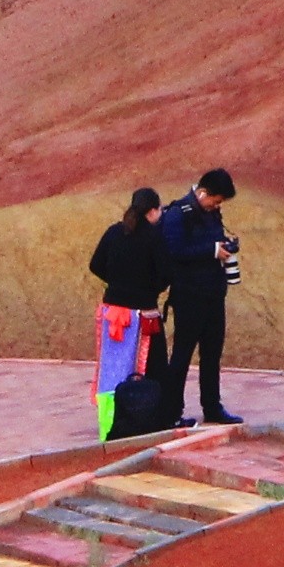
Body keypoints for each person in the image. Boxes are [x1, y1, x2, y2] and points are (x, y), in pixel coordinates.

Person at [156, 167, 241, 425]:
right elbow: (173, 251)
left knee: (212, 354)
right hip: (189, 296)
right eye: (215, 201)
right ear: (202, 192)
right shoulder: (178, 213)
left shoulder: (211, 214)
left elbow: (210, 243)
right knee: (182, 354)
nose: (217, 206)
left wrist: (225, 247)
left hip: (214, 294)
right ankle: (171, 412)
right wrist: (211, 250)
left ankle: (212, 407)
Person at [87, 185, 169, 436]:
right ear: (153, 211)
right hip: (143, 314)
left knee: (113, 369)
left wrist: (117, 282)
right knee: (154, 369)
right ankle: (151, 419)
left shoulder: (114, 232)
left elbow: (96, 264)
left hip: (113, 312)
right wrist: (147, 290)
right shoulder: (155, 238)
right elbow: (165, 276)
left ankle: (111, 420)